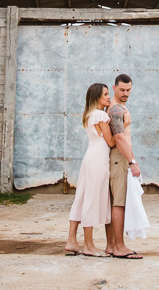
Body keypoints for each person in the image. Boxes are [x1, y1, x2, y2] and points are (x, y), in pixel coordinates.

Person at [65, 83, 115, 257]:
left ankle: (71, 240)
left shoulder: (89, 114)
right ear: (97, 97)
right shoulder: (100, 115)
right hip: (98, 160)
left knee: (82, 197)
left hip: (90, 158)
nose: (109, 97)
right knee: (91, 200)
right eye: (105, 94)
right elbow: (111, 141)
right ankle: (89, 245)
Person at [106, 73, 144, 259]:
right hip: (119, 159)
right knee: (119, 203)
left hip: (121, 158)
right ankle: (119, 246)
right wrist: (131, 162)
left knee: (115, 202)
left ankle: (111, 245)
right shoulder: (115, 110)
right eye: (121, 90)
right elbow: (120, 138)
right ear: (114, 88)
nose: (125, 93)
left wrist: (133, 158)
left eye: (128, 90)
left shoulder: (119, 108)